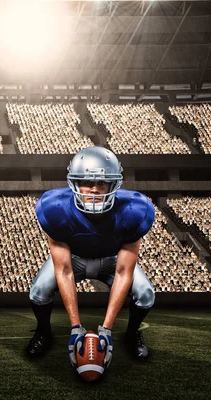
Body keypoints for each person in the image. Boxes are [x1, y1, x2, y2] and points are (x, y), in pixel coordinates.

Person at [26, 146, 155, 369]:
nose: (95, 190)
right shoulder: (55, 208)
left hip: (112, 259)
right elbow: (64, 270)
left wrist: (106, 329)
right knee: (38, 291)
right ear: (74, 183)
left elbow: (124, 273)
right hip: (74, 258)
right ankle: (43, 332)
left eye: (102, 183)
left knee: (145, 294)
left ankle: (132, 334)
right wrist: (76, 327)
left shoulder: (136, 210)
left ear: (114, 184)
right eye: (87, 182)